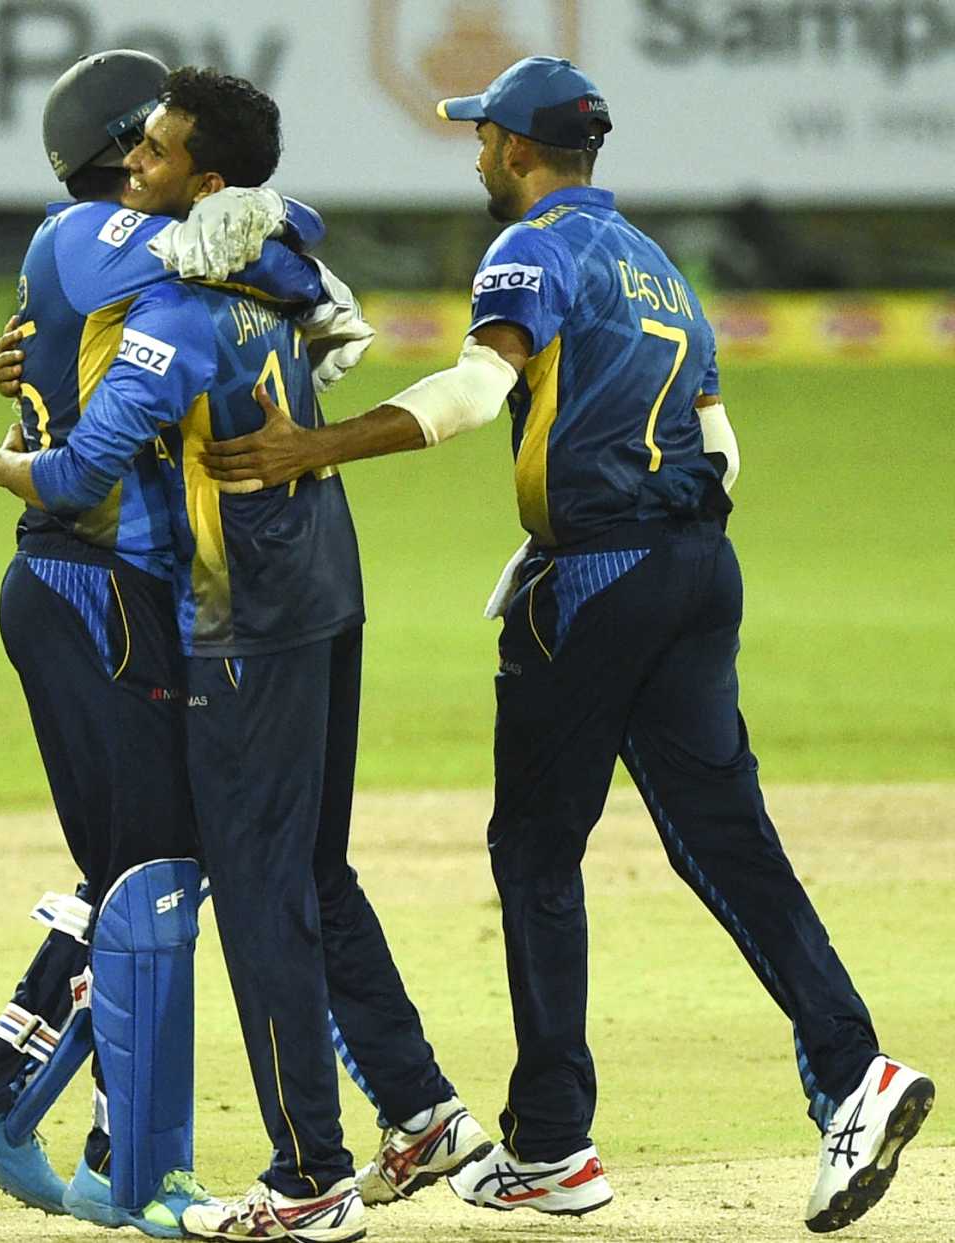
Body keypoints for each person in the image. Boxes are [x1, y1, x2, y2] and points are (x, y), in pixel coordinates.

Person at [199, 56, 935, 1236]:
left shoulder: (531, 248)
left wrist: (311, 449)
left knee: (537, 855)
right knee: (728, 843)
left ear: (524, 153)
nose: (477, 157)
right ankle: (854, 1070)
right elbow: (724, 452)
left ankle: (551, 1145)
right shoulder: (658, 268)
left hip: (596, 581)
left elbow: (478, 391)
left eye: (484, 139)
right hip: (698, 570)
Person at [0, 66, 492, 1243]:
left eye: (157, 157)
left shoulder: (170, 300)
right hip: (328, 589)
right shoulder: (267, 275)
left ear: (201, 181)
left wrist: (14, 461)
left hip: (239, 614)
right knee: (313, 867)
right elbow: (305, 259)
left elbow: (76, 474)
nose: (138, 174)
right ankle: (421, 1112)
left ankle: (309, 1175)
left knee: (259, 887)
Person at [0, 48, 340, 1234]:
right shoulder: (92, 233)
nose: (163, 153)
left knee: (147, 869)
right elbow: (262, 245)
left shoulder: (102, 257)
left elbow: (255, 258)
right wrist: (290, 234)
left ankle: (8, 1100)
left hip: (108, 588)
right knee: (155, 872)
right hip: (94, 582)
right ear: (121, 148)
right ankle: (136, 1166)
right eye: (150, 136)